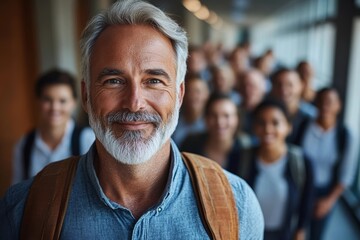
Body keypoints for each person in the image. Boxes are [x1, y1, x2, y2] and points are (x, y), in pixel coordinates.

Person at [0, 1, 264, 239]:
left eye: (153, 81)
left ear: (179, 94)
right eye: (114, 81)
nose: (134, 103)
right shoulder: (23, 210)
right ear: (86, 95)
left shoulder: (235, 205)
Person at [239, 98, 314, 240]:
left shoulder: (302, 162)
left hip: (285, 234)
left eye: (275, 123)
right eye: (261, 123)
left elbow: (306, 202)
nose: (268, 129)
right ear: (254, 127)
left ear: (288, 127)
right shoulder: (241, 158)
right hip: (248, 234)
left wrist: (300, 230)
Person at [294, 87, 358, 240]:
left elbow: (346, 174)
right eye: (321, 101)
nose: (325, 106)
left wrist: (329, 201)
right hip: (300, 188)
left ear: (339, 106)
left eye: (330, 102)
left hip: (325, 191)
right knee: (295, 231)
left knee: (317, 234)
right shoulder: (303, 126)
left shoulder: (345, 135)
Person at [11, 69, 95, 184]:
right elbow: (17, 193)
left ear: (73, 103)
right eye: (47, 100)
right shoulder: (24, 144)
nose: (55, 108)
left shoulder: (88, 139)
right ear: (38, 101)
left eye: (62, 101)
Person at [181, 93, 249, 173]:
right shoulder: (190, 144)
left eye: (226, 116)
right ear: (206, 119)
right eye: (213, 115)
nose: (220, 122)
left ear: (237, 119)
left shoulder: (246, 149)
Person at [270, 68, 314, 143]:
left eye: (289, 85)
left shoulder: (312, 117)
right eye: (279, 84)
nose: (283, 90)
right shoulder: (264, 113)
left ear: (301, 86)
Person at [172, 74, 209, 146]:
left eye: (198, 92)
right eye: (190, 91)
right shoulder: (174, 118)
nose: (193, 96)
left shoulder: (211, 123)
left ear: (206, 95)